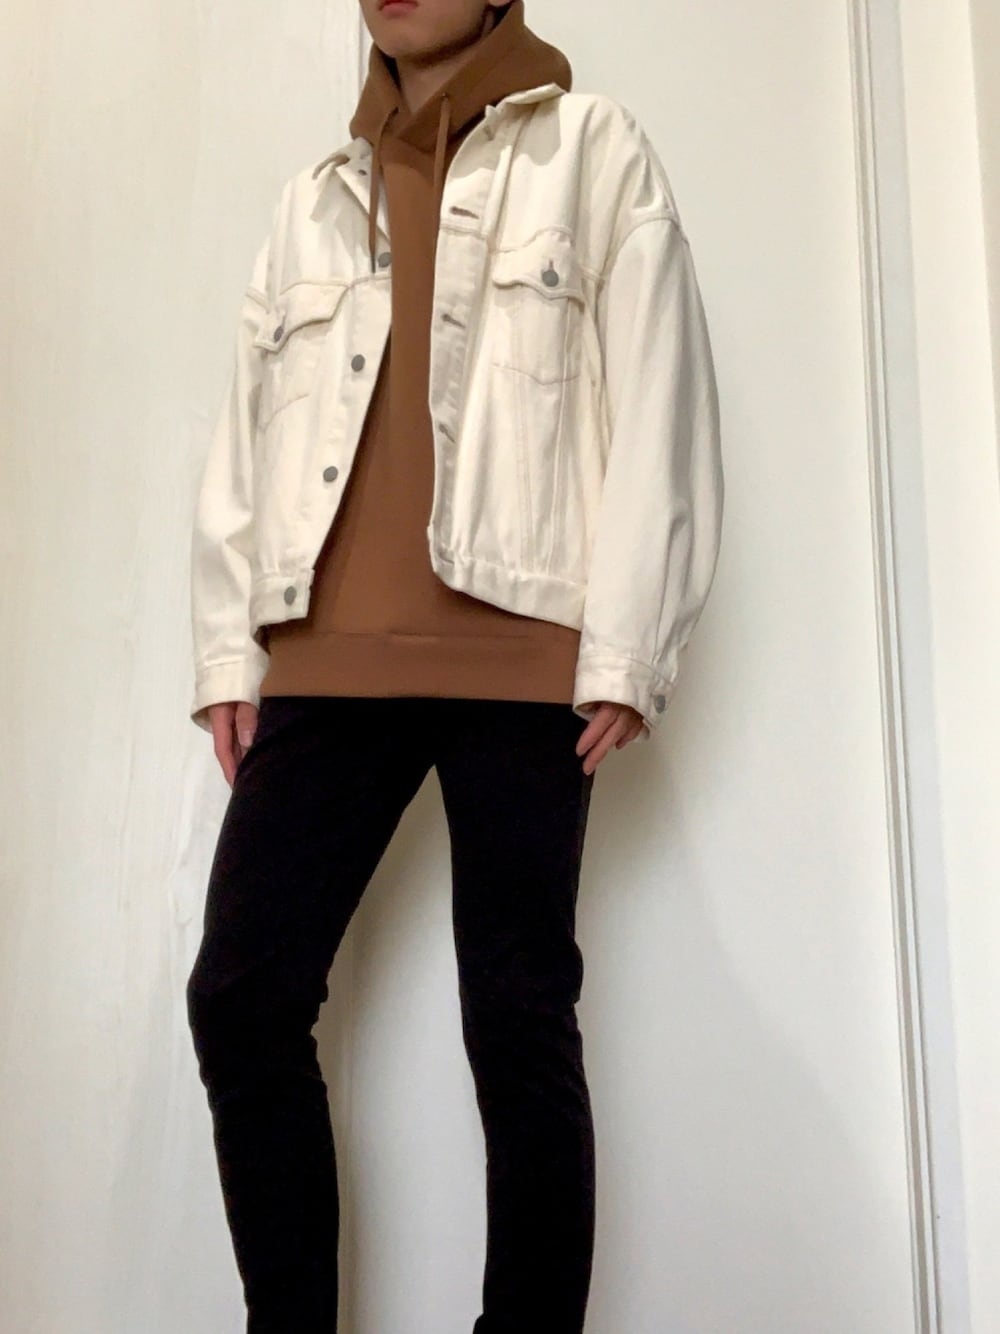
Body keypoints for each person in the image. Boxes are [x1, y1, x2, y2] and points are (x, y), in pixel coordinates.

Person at [184, 1, 723, 1330]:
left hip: (526, 656)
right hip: (325, 656)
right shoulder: (316, 200)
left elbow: (661, 388)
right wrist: (227, 647)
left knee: (519, 1017)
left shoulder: (594, 148)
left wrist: (630, 644)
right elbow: (246, 431)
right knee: (242, 999)